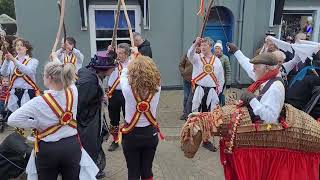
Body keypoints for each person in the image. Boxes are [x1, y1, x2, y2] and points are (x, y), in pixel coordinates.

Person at [7, 61, 98, 180]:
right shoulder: (73, 91)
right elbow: (66, 73)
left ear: (49, 78)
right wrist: (57, 61)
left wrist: (35, 124)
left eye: (43, 75)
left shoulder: (38, 101)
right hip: (72, 145)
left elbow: (12, 120)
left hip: (48, 149)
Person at [118, 53, 162, 180]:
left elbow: (123, 72)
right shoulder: (157, 87)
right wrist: (138, 56)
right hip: (150, 133)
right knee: (147, 170)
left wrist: (131, 61)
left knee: (133, 171)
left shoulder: (127, 88)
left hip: (131, 134)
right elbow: (157, 77)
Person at [76, 54, 116, 179]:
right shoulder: (89, 81)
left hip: (93, 117)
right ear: (104, 69)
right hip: (87, 121)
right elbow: (81, 103)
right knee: (90, 145)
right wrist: (98, 98)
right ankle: (89, 172)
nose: (113, 70)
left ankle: (94, 169)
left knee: (95, 143)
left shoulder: (92, 75)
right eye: (111, 67)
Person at [227, 44, 285, 123]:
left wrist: (252, 99)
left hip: (265, 133)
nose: (253, 71)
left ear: (267, 68)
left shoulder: (275, 87)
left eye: (256, 68)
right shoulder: (265, 78)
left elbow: (270, 118)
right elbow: (247, 64)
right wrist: (236, 51)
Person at [187, 37, 225, 152]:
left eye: (205, 45)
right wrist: (195, 44)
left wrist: (218, 91)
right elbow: (189, 55)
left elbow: (220, 78)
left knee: (209, 117)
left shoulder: (217, 61)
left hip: (212, 92)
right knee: (195, 115)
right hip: (199, 90)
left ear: (211, 47)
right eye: (201, 45)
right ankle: (189, 139)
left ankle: (206, 140)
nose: (203, 47)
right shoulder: (197, 58)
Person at [1, 38, 40, 113]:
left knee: (27, 115)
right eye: (17, 45)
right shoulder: (12, 61)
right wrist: (7, 60)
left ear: (27, 48)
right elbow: (4, 73)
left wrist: (14, 60)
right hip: (14, 92)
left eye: (22, 45)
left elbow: (28, 71)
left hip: (28, 92)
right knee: (13, 116)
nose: (19, 47)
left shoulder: (33, 61)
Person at [107, 43, 130, 151]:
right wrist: (109, 53)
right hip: (113, 93)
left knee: (128, 117)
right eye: (117, 53)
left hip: (126, 94)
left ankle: (128, 139)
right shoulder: (112, 62)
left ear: (127, 54)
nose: (119, 55)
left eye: (121, 53)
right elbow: (104, 61)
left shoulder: (132, 64)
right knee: (113, 118)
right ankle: (115, 140)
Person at [214, 40, 231, 106]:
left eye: (219, 48)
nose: (217, 50)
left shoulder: (225, 58)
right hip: (212, 80)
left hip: (221, 81)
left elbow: (228, 71)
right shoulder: (211, 57)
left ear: (221, 49)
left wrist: (228, 83)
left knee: (219, 95)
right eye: (216, 48)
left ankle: (221, 107)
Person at [178, 54, 192, 120]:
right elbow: (181, 64)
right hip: (186, 79)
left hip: (196, 81)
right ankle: (185, 113)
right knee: (186, 97)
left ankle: (190, 113)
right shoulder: (188, 54)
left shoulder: (201, 55)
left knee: (191, 98)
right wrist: (183, 72)